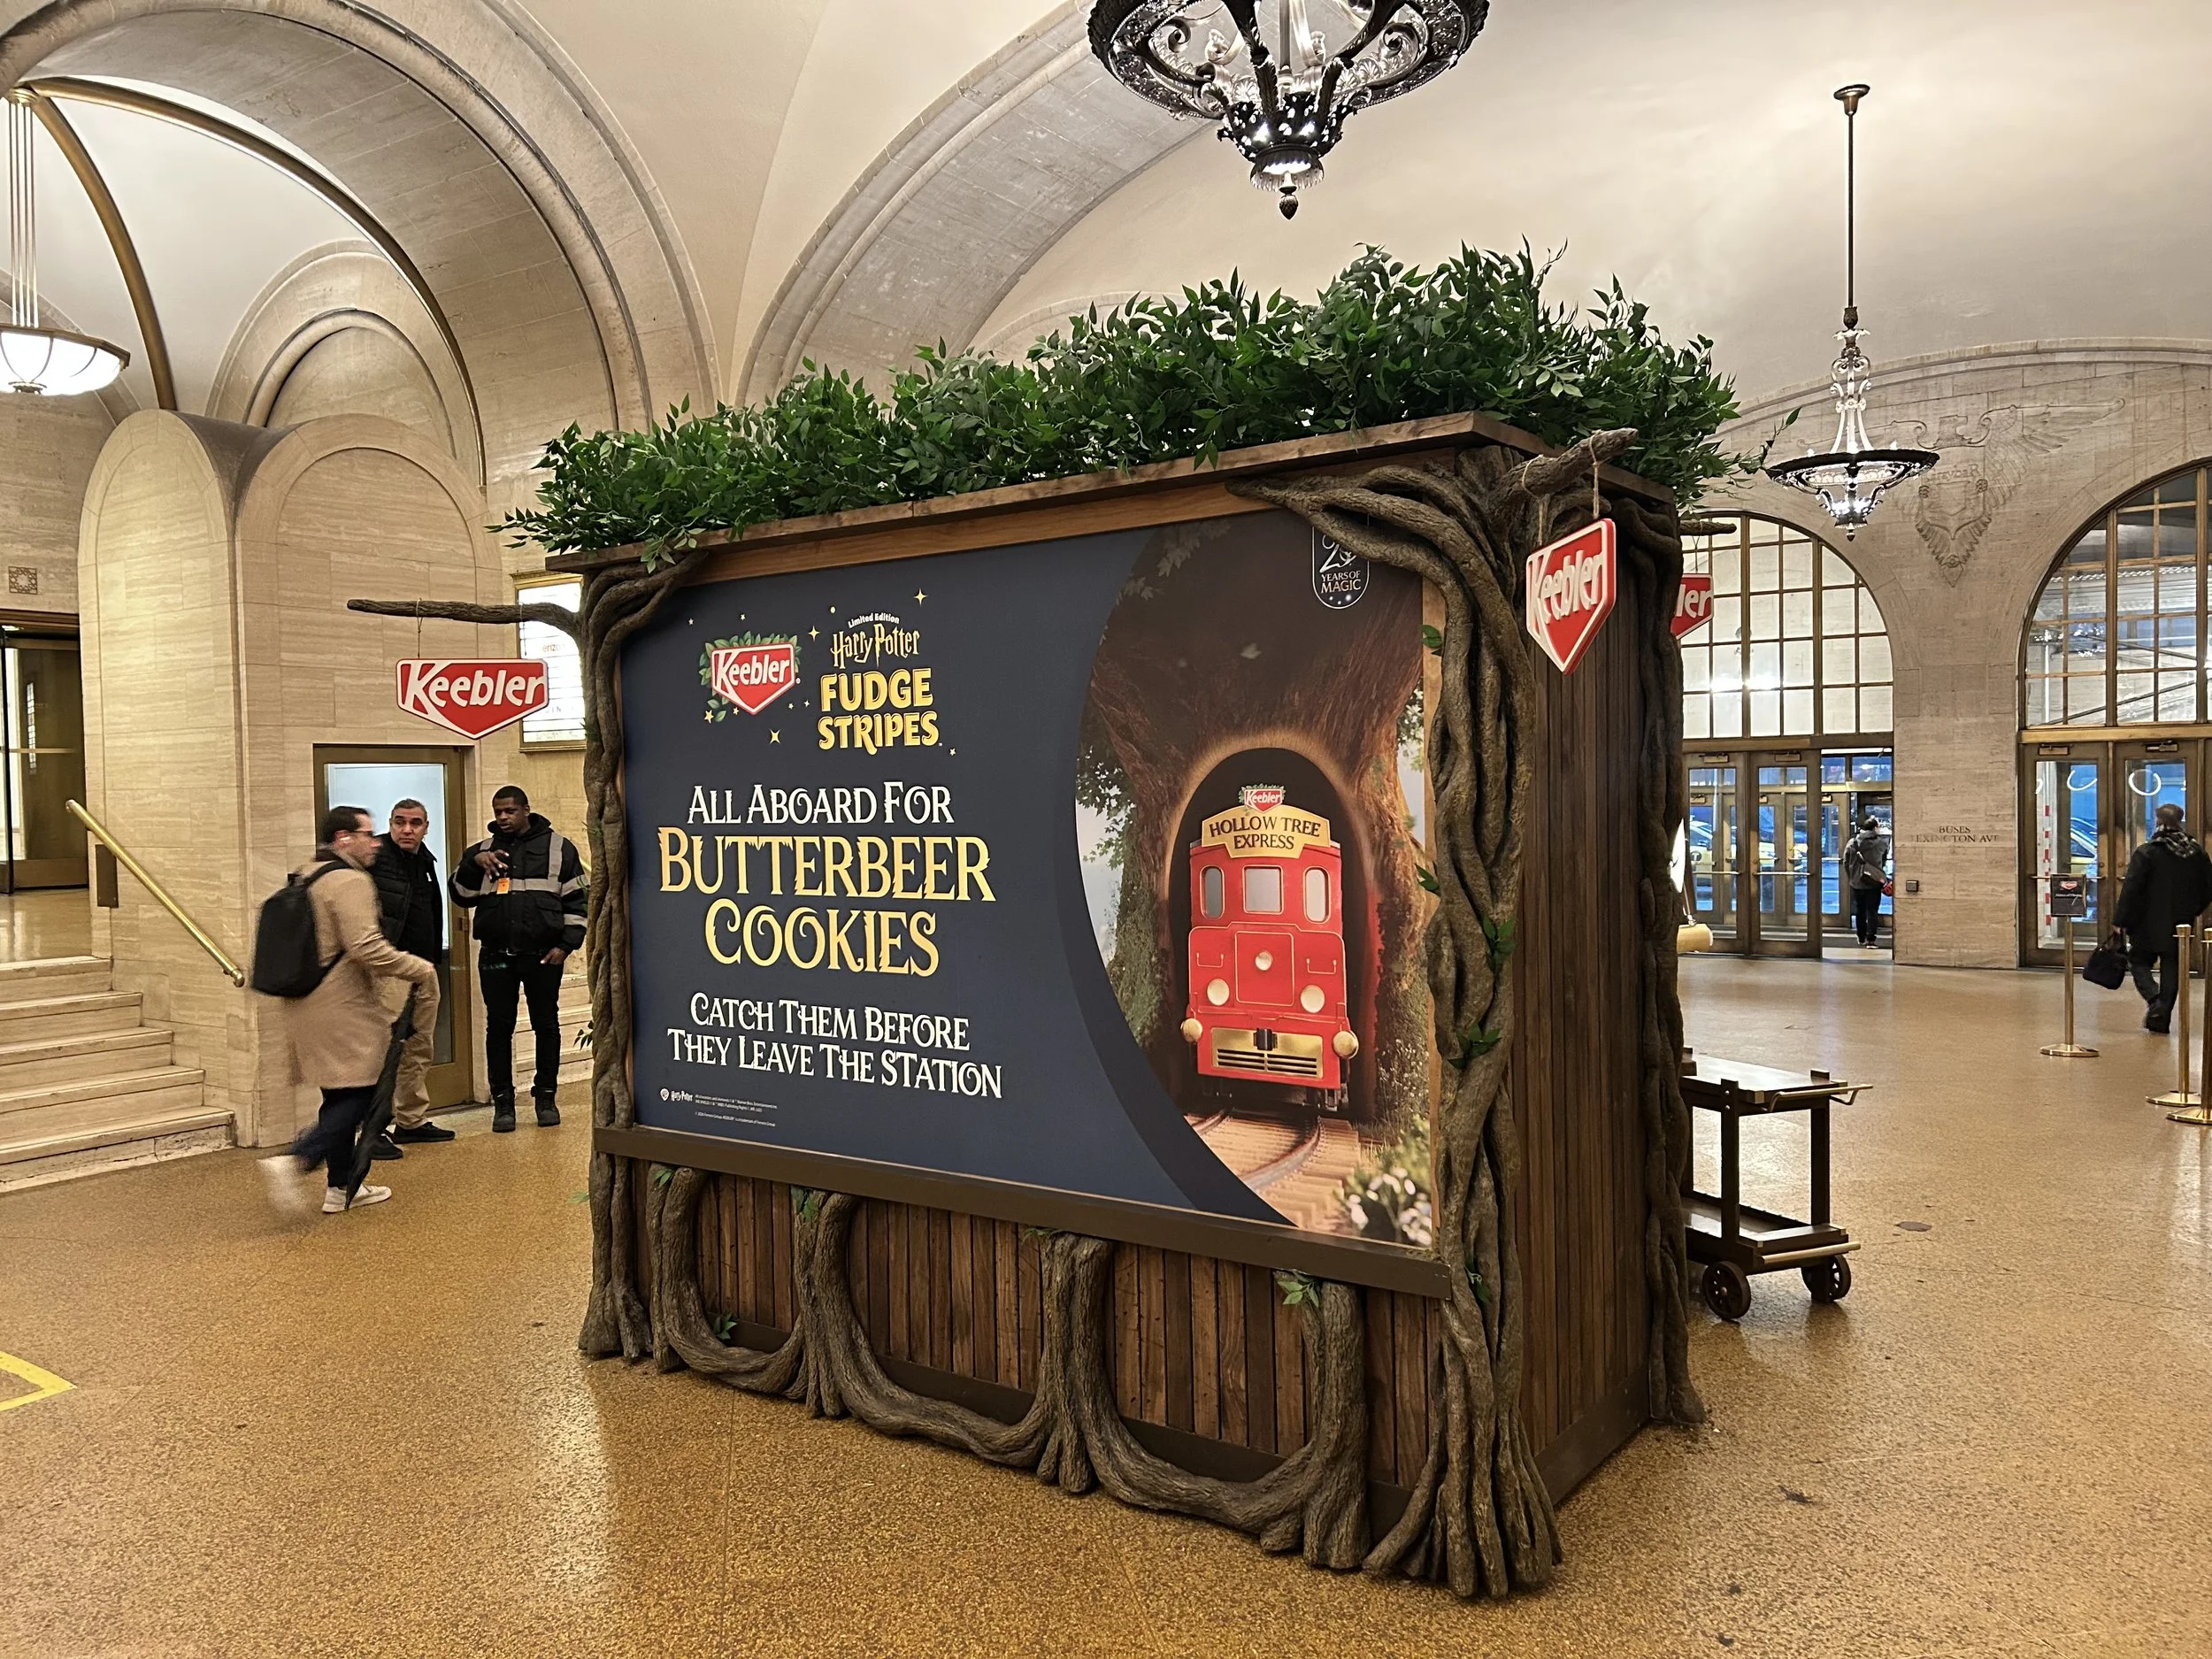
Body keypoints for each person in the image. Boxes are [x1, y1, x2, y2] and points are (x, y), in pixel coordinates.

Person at [262, 805, 440, 1215]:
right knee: (365, 1093)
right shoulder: (349, 881)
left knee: (339, 1094)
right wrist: (418, 967)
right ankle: (297, 1159)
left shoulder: (308, 873)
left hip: (305, 1002)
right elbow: (368, 948)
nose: (374, 843)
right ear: (344, 838)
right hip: (342, 1005)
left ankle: (342, 1188)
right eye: (367, 834)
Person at [450, 786, 585, 1132]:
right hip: (496, 956)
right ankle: (504, 1105)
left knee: (546, 1025)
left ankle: (545, 1098)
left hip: (543, 957)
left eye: (510, 811)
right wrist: (470, 864)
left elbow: (577, 901)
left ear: (526, 809)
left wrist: (566, 946)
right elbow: (461, 896)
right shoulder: (481, 852)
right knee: (498, 1028)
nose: (503, 818)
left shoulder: (559, 848)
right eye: (498, 812)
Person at [371, 798, 451, 1148]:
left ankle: (411, 1120)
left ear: (426, 826)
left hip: (423, 970)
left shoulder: (426, 860)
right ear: (390, 824)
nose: (407, 829)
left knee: (419, 1047)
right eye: (400, 822)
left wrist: (431, 962)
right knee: (383, 1053)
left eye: (415, 823)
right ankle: (373, 1130)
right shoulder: (375, 860)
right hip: (388, 971)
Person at [2114, 803, 2212, 1033]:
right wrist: (2194, 910)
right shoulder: (2196, 853)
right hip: (2180, 923)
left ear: (2158, 822)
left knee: (2138, 961)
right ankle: (2162, 1011)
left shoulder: (2147, 852)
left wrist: (2121, 920)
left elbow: (2132, 888)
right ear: (2181, 821)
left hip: (2146, 922)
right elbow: (2208, 888)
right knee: (2172, 966)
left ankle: (2155, 1000)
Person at [1842, 814, 1890, 949]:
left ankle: (1861, 937)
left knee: (1860, 910)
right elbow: (1884, 861)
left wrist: (1852, 877)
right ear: (1875, 828)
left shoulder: (1853, 843)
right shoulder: (1881, 843)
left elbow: (1846, 862)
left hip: (1857, 882)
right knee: (1872, 911)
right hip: (1874, 882)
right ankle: (1871, 940)